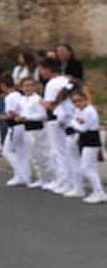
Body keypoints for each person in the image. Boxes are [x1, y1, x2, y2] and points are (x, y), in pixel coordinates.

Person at [40, 57, 78, 196]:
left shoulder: (52, 83)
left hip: (56, 120)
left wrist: (42, 102)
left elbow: (50, 104)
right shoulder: (67, 80)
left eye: (42, 69)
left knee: (59, 151)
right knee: (67, 151)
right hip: (69, 118)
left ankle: (65, 181)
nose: (41, 72)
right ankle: (66, 181)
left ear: (48, 69)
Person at [13, 75, 55, 189]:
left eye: (31, 86)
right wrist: (19, 117)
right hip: (28, 129)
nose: (28, 88)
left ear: (36, 87)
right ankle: (41, 178)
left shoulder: (37, 99)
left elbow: (42, 116)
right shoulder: (22, 100)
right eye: (26, 86)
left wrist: (26, 117)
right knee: (34, 156)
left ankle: (51, 178)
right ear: (21, 88)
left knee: (44, 155)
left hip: (39, 130)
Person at [66, 88, 104, 203]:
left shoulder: (89, 111)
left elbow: (83, 127)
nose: (78, 104)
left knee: (87, 168)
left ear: (86, 99)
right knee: (90, 167)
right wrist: (76, 122)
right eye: (75, 102)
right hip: (85, 140)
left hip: (92, 140)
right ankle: (97, 191)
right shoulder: (79, 110)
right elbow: (79, 125)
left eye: (80, 100)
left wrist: (72, 122)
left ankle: (99, 192)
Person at [0, 75, 32, 187]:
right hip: (23, 126)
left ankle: (21, 174)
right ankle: (22, 176)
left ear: (3, 85)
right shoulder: (19, 95)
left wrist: (0, 117)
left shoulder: (9, 97)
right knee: (22, 152)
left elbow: (11, 114)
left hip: (15, 126)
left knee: (7, 151)